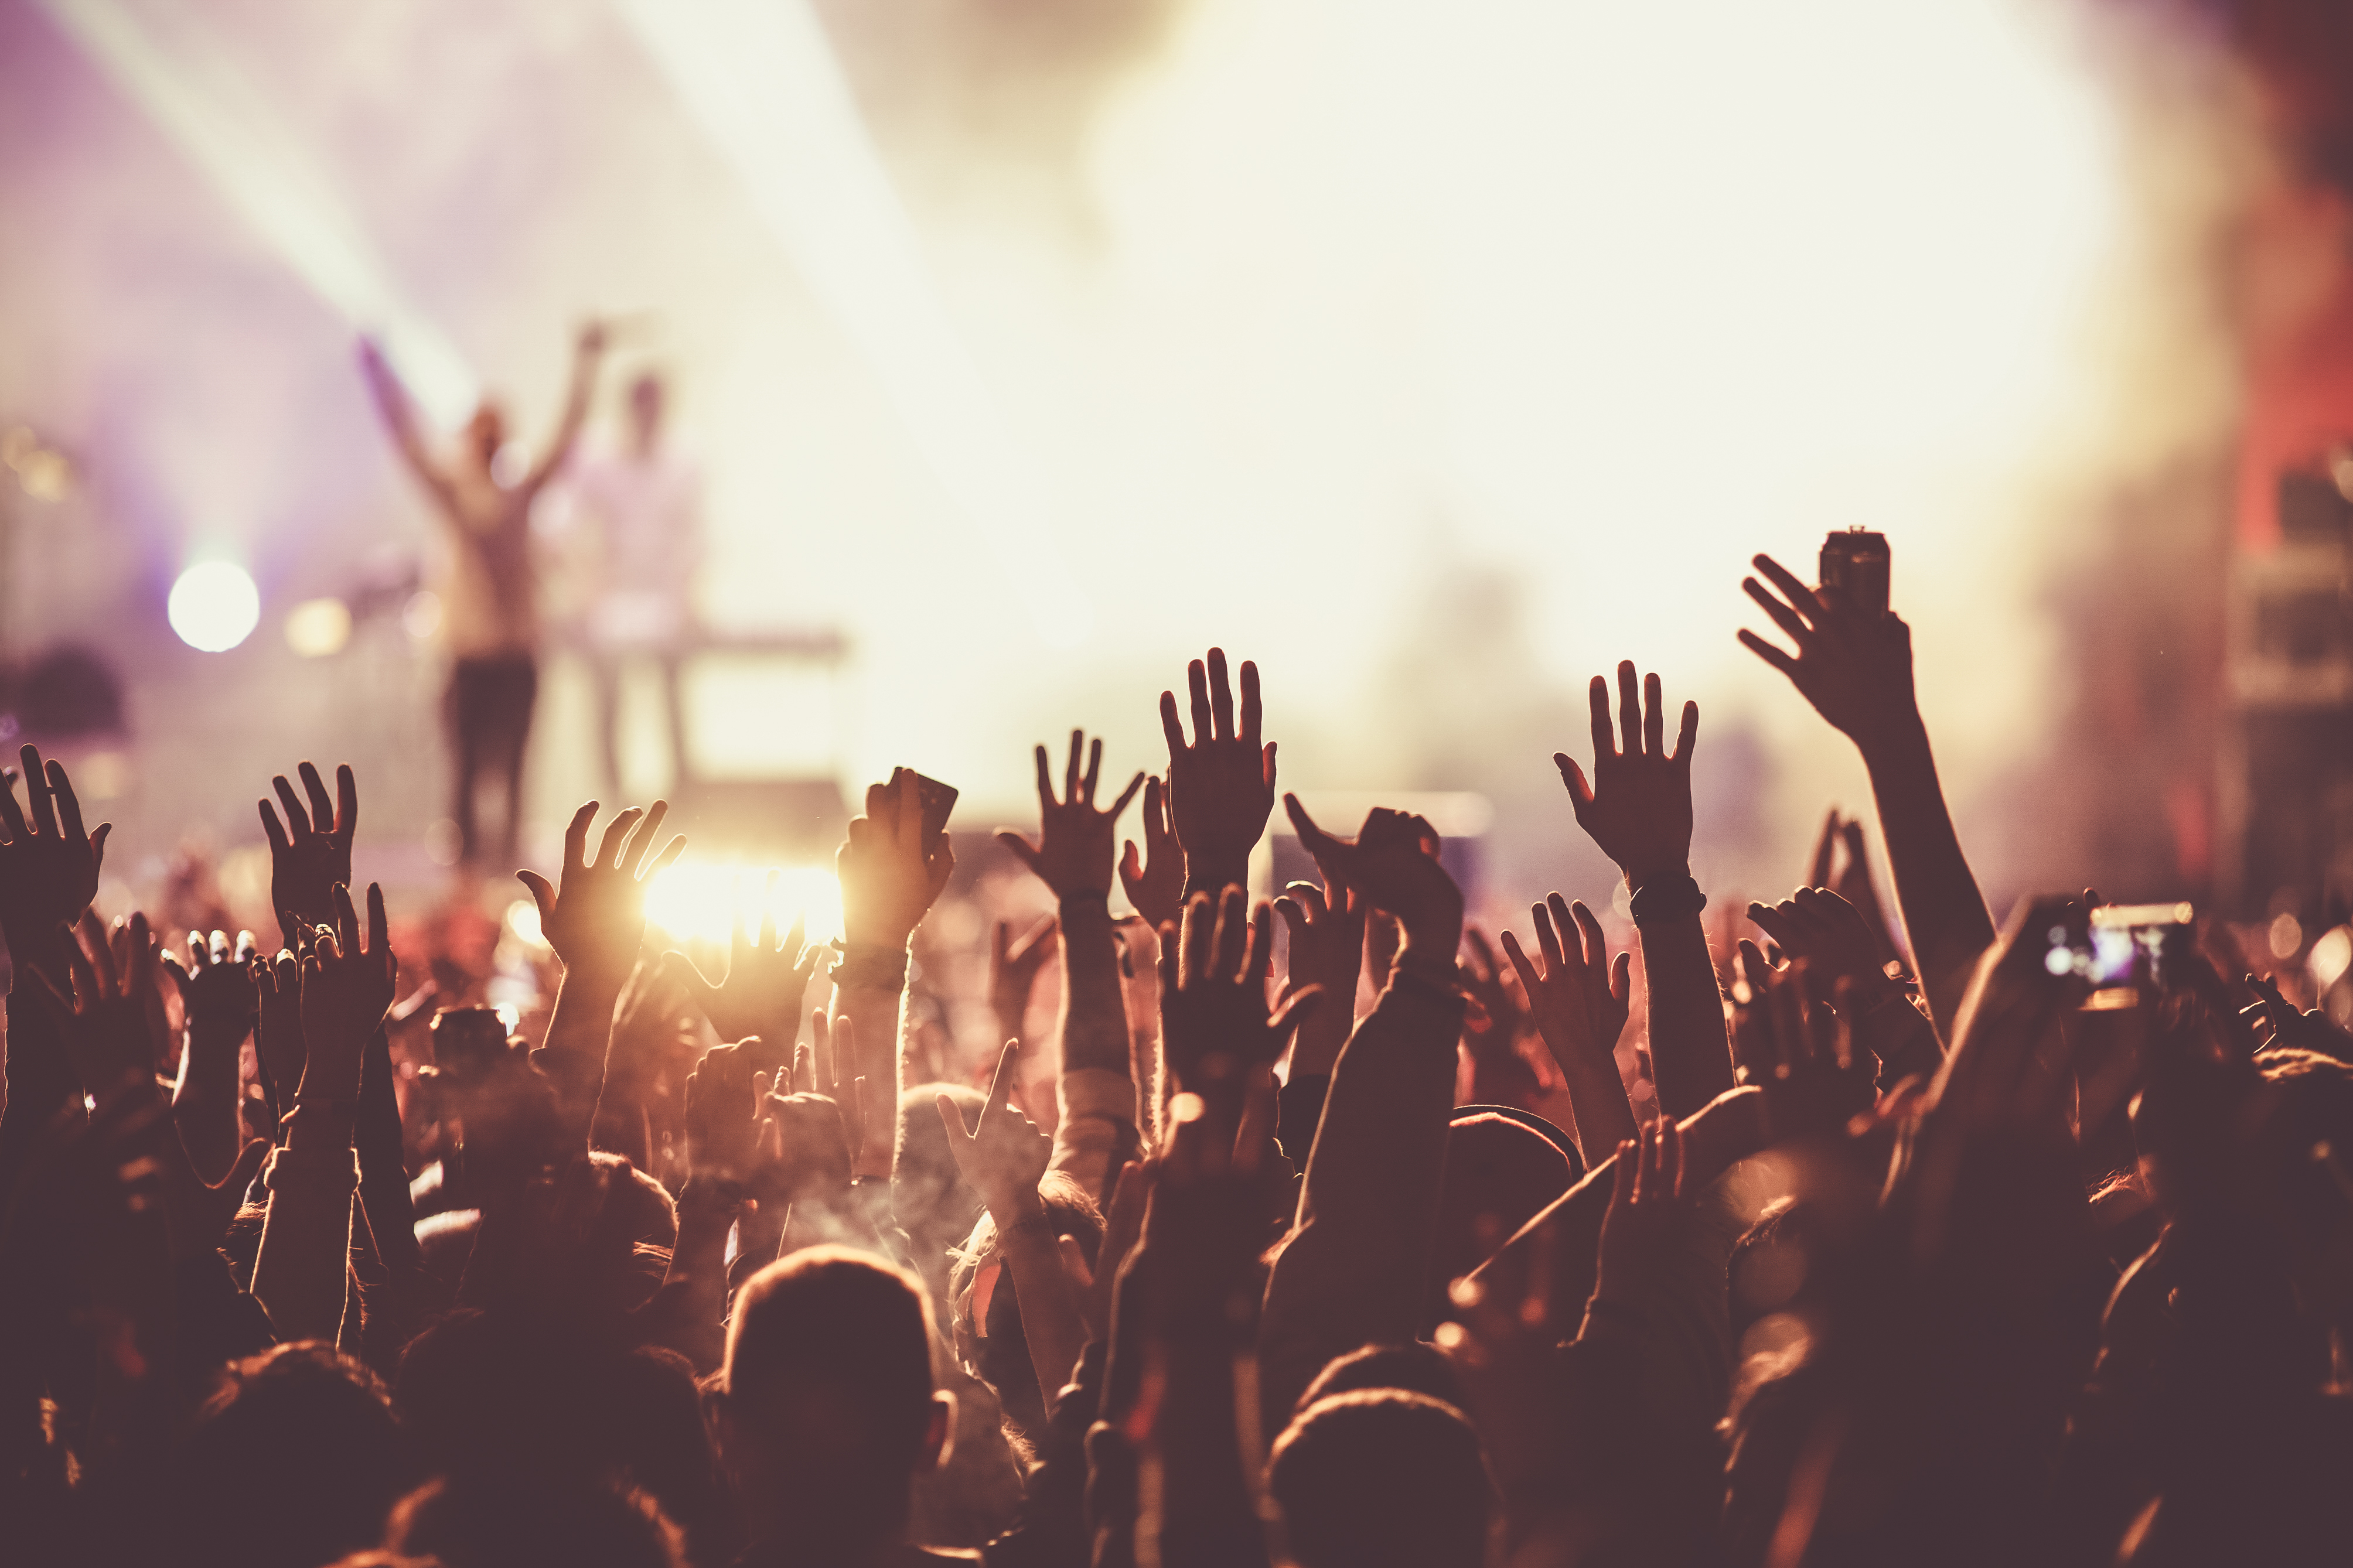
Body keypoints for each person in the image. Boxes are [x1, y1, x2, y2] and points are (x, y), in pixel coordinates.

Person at [359, 325, 607, 866]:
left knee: (513, 774)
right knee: (470, 774)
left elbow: (565, 440)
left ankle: (502, 875)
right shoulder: (460, 493)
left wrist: (587, 370)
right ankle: (471, 882)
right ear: (474, 438)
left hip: (514, 654)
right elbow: (406, 442)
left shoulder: (517, 494)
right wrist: (378, 379)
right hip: (472, 655)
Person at [558, 370, 704, 797]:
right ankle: (613, 796)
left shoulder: (686, 458)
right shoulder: (597, 458)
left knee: (673, 701)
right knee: (607, 703)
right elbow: (569, 526)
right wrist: (586, 589)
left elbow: (695, 537)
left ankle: (684, 795)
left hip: (666, 601)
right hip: (610, 602)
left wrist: (690, 597)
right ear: (630, 411)